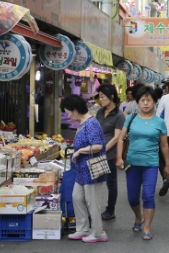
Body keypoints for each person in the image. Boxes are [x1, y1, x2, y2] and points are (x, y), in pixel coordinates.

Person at [116, 86, 169, 241]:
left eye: (149, 100)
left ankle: (147, 226)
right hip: (132, 164)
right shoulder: (131, 118)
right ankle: (138, 216)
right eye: (142, 100)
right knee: (132, 198)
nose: (146, 103)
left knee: (148, 196)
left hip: (151, 165)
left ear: (154, 103)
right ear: (138, 102)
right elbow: (121, 138)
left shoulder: (160, 122)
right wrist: (119, 157)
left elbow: (164, 145)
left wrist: (167, 165)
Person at [60, 95, 109, 243]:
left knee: (92, 202)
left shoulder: (91, 124)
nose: (68, 115)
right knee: (77, 197)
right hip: (82, 170)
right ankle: (82, 228)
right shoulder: (83, 123)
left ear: (76, 111)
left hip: (92, 169)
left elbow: (98, 146)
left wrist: (80, 151)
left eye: (68, 112)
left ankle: (99, 232)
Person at [95, 84, 126, 222]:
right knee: (95, 182)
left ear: (112, 96)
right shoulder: (100, 112)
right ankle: (94, 208)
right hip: (97, 151)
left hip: (109, 154)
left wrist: (103, 149)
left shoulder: (119, 115)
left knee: (111, 183)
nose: (100, 99)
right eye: (100, 96)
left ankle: (110, 210)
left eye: (103, 96)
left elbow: (117, 138)